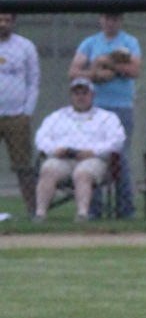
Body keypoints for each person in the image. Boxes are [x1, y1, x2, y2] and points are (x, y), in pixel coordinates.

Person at [69, 8, 141, 219]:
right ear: (101, 20)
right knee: (91, 155)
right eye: (107, 18)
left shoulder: (130, 42)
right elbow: (73, 73)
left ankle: (125, 209)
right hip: (95, 108)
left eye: (115, 18)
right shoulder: (90, 43)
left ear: (121, 20)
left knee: (120, 156)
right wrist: (95, 74)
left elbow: (135, 71)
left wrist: (107, 64)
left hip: (122, 107)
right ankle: (93, 208)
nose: (111, 22)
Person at [33, 76, 126, 221]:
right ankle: (40, 214)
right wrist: (54, 150)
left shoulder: (106, 117)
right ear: (71, 96)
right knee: (48, 169)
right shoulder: (57, 116)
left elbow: (117, 141)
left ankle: (82, 214)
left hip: (93, 159)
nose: (80, 97)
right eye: (77, 93)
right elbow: (41, 137)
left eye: (84, 93)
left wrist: (93, 152)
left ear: (92, 95)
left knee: (82, 173)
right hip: (62, 158)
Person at [0, 10, 40, 216]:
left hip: (16, 115)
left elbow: (34, 81)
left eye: (7, 20)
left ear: (13, 22)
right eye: (0, 19)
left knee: (23, 166)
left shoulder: (25, 46)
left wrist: (27, 112)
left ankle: (34, 211)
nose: (3, 24)